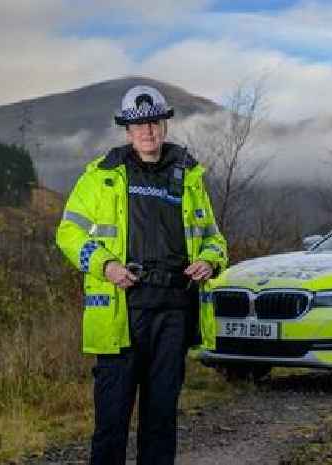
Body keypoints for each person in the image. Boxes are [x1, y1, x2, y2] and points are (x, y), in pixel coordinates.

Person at [56, 84, 228, 465]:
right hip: (121, 313)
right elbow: (68, 233)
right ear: (127, 130)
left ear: (164, 125)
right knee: (112, 420)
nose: (147, 131)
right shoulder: (101, 176)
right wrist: (105, 265)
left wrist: (211, 261)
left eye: (154, 122)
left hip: (172, 312)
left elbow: (214, 239)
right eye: (139, 125)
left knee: (161, 419)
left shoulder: (188, 176)